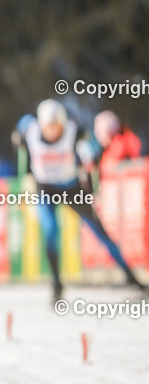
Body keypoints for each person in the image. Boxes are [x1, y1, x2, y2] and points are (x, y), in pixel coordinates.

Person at [15, 99, 145, 302]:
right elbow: (21, 128)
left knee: (99, 230)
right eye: (48, 127)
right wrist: (22, 164)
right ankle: (56, 284)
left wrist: (91, 162)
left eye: (56, 126)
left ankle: (131, 276)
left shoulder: (73, 130)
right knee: (50, 231)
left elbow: (91, 153)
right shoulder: (30, 130)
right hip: (45, 189)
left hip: (70, 187)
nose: (53, 131)